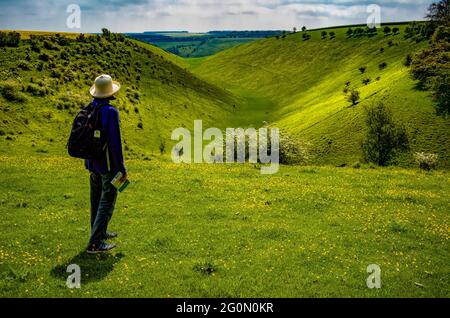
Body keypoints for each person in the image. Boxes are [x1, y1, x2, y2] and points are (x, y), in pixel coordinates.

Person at [85, 74, 127, 254]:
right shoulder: (110, 112)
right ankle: (95, 244)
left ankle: (99, 233)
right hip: (108, 165)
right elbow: (115, 143)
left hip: (92, 163)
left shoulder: (89, 108)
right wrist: (122, 168)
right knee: (107, 202)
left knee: (96, 201)